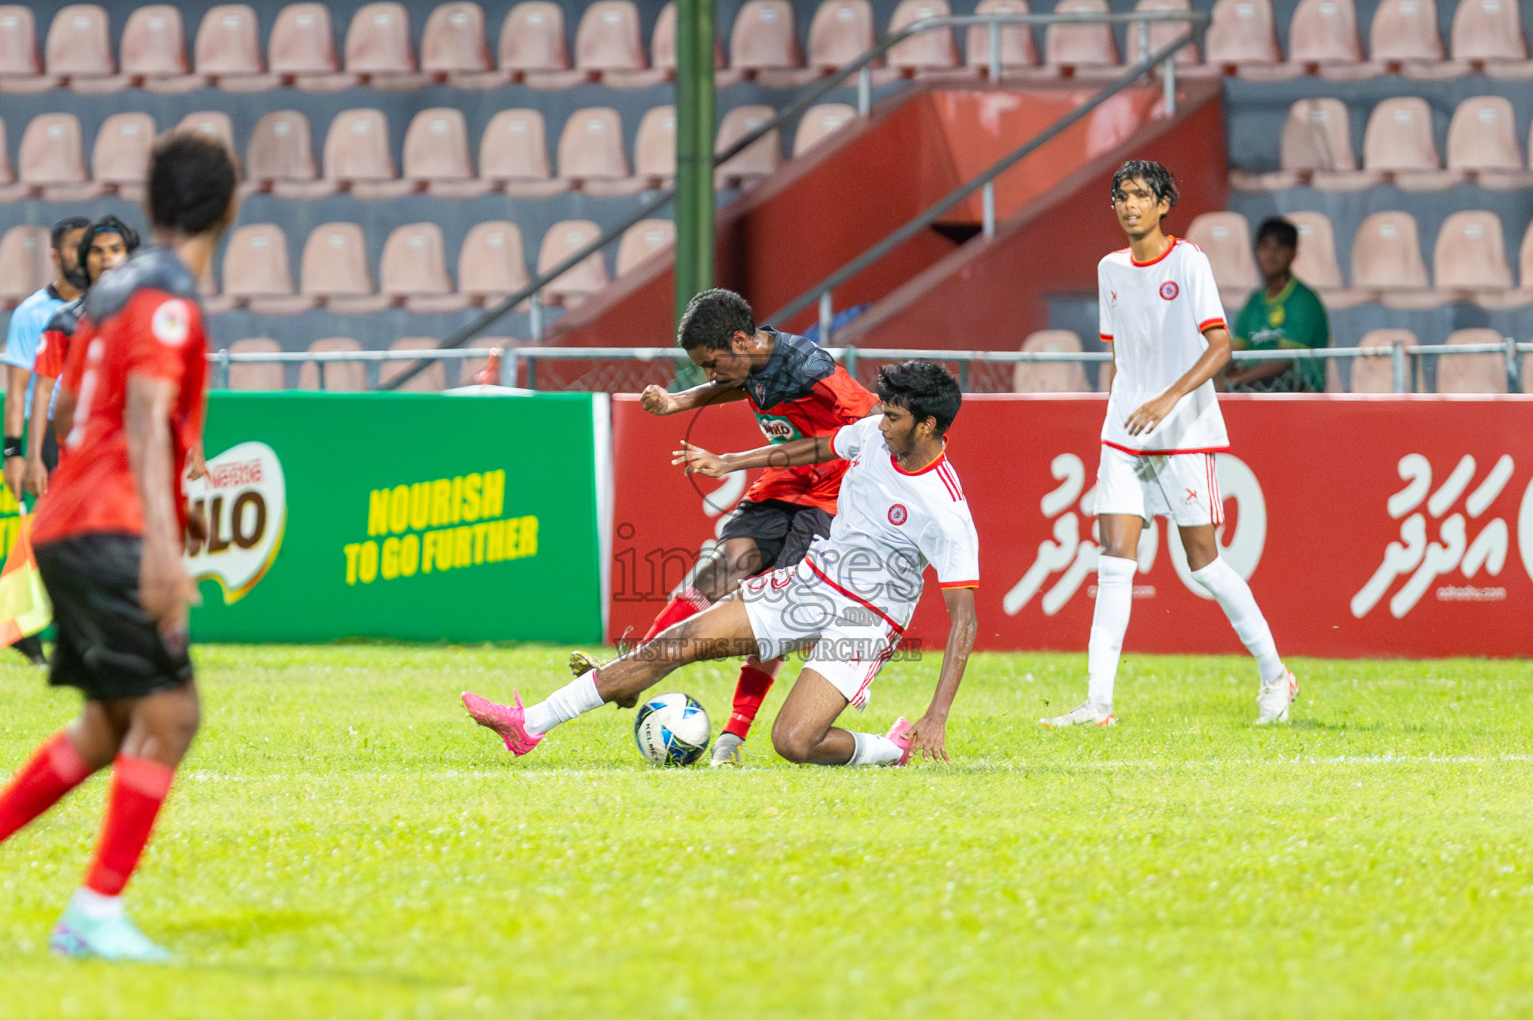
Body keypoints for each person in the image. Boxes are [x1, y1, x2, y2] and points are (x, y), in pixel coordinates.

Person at [463, 361, 979, 768]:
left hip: (868, 619)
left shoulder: (946, 510)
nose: (880, 423)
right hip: (810, 582)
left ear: (928, 424)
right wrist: (732, 461)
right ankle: (529, 723)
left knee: (794, 741)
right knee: (672, 645)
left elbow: (965, 619)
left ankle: (892, 749)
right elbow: (821, 446)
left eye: (893, 417)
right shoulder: (871, 435)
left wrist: (937, 715)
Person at [0, 132, 237, 962]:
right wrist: (165, 550)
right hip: (110, 525)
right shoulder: (170, 296)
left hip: (67, 517)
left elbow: (68, 415)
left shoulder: (106, 292)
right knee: (172, 713)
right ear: (230, 206)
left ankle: (92, 913)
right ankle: (95, 912)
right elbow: (140, 413)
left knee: (108, 726)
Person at [1041, 160, 1296, 729]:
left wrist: (1168, 399)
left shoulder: (1189, 260)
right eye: (1121, 196)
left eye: (1141, 195)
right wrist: (1118, 413)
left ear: (1163, 205)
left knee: (1203, 563)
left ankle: (1276, 675)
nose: (1130, 205)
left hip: (1182, 433)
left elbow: (1221, 346)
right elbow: (1119, 357)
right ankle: (1098, 704)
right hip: (1124, 435)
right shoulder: (1109, 268)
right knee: (1114, 562)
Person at [605, 288, 877, 766]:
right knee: (723, 569)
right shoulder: (750, 362)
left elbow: (871, 421)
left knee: (776, 609)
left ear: (739, 341)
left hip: (832, 498)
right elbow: (736, 385)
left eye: (712, 363)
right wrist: (676, 402)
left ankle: (732, 735)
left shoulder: (811, 369)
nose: (709, 374)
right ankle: (638, 668)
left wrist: (732, 461)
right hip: (780, 485)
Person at [2, 216, 89, 664]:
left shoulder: (106, 308)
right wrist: (16, 451)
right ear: (56, 255)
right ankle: (27, 629)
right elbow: (18, 389)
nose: (85, 256)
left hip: (94, 439)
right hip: (51, 441)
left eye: (91, 247)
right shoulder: (32, 313)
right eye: (76, 247)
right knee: (46, 534)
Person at [25, 215, 141, 497]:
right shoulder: (64, 322)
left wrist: (193, 444)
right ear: (84, 260)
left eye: (115, 250)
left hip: (134, 459)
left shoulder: (146, 319)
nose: (107, 258)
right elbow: (43, 390)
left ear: (128, 257)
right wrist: (32, 458)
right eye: (97, 251)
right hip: (78, 462)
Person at [1222, 217, 1331, 393]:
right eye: (1265, 246)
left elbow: (1284, 361)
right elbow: (1235, 349)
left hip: (1297, 397)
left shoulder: (1304, 300)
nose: (1271, 254)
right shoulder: (1254, 301)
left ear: (1294, 253)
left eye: (1280, 246)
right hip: (1252, 390)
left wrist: (1235, 381)